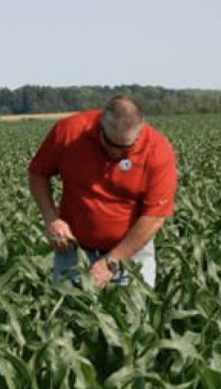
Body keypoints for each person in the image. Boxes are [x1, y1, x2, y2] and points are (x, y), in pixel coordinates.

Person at [27, 96, 177, 289]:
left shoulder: (157, 149)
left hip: (132, 253)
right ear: (100, 126)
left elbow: (154, 217)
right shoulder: (69, 132)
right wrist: (51, 218)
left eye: (125, 148)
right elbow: (37, 173)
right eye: (111, 144)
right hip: (74, 251)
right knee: (68, 315)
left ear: (140, 133)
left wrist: (112, 261)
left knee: (132, 317)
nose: (116, 153)